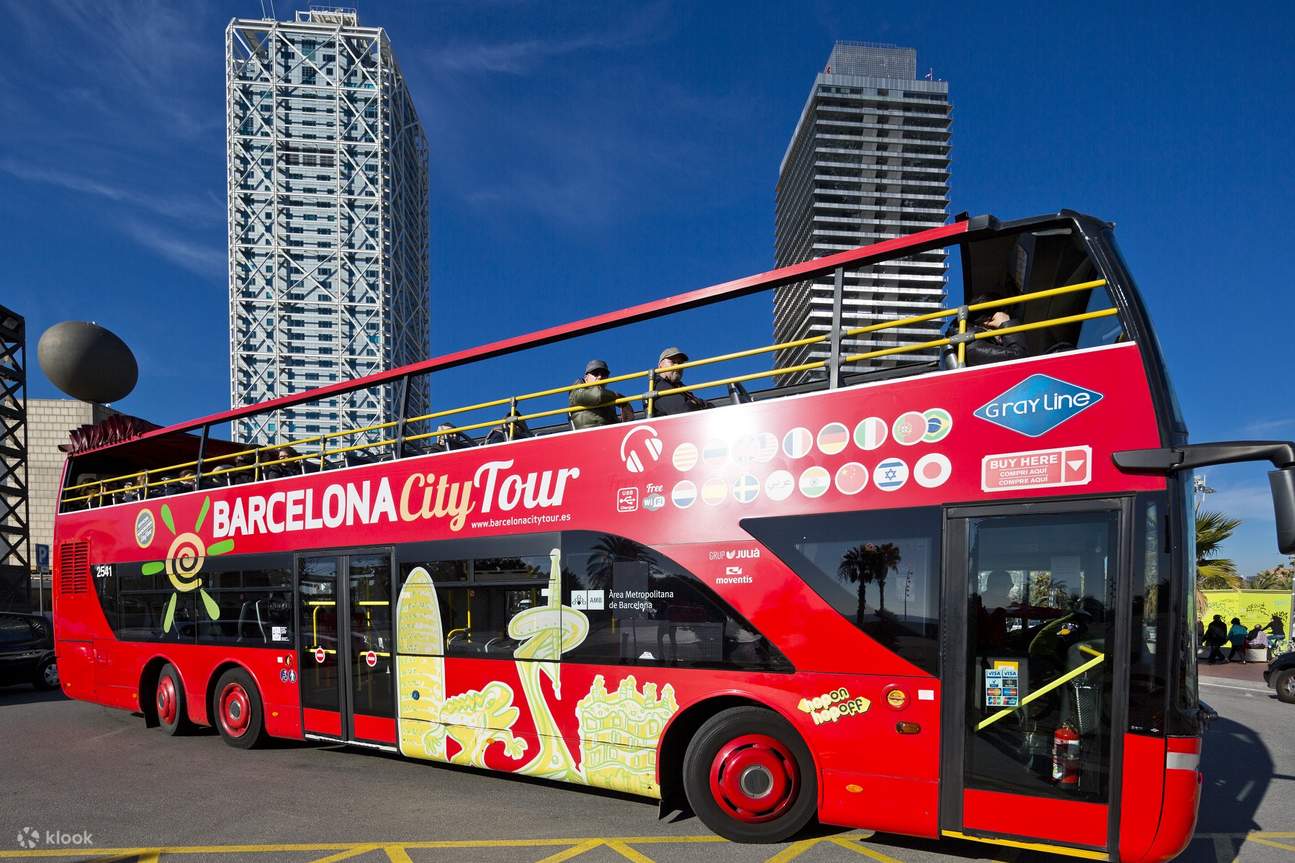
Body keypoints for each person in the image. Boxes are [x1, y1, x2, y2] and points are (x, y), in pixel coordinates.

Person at [957, 294, 1029, 367]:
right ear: (989, 322)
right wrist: (1007, 324)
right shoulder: (974, 346)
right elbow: (1021, 359)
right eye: (1001, 325)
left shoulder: (971, 342)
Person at [568, 359, 633, 430]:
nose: (600, 377)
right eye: (595, 373)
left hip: (606, 433)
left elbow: (614, 424)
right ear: (586, 378)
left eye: (604, 374)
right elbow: (597, 395)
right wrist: (619, 397)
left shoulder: (609, 398)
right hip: (585, 434)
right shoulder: (576, 389)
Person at [649, 347, 706, 416]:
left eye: (680, 363)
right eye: (673, 362)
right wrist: (698, 403)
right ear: (660, 366)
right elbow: (684, 411)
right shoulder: (660, 386)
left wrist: (696, 402)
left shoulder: (681, 388)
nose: (677, 366)